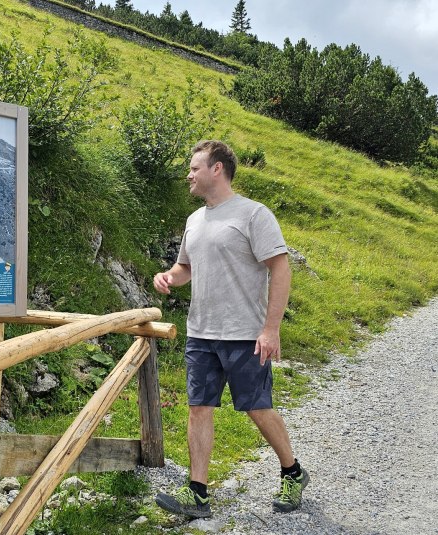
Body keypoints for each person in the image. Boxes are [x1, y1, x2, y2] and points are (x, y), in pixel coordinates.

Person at [153, 140, 309, 519]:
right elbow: (186, 267)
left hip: (245, 333)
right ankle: (198, 493)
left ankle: (293, 471)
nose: (188, 174)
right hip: (202, 333)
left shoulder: (253, 215)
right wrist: (170, 277)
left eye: (194, 168)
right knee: (198, 408)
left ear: (217, 169)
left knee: (257, 408)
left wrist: (271, 329)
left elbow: (280, 268)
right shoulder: (194, 220)